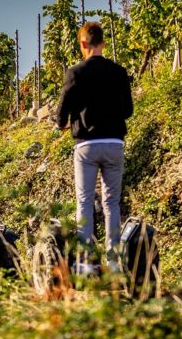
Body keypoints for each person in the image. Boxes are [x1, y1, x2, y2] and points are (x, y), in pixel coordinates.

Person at [56, 22, 133, 270]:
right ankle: (113, 261)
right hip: (114, 143)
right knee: (112, 202)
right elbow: (128, 110)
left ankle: (86, 262)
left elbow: (61, 114)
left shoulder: (75, 73)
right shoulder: (119, 72)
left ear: (82, 44)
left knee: (85, 201)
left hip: (86, 145)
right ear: (103, 42)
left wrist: (64, 124)